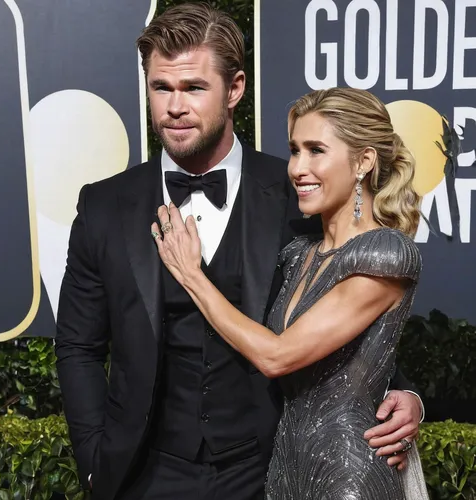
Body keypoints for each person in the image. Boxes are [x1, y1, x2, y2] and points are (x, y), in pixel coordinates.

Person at [55, 4, 424, 500]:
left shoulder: (300, 192)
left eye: (194, 88)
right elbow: (78, 346)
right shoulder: (103, 206)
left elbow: (348, 306)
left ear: (235, 90)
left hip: (267, 469)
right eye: (160, 87)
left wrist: (404, 394)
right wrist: (96, 462)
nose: (174, 107)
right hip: (145, 473)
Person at [152, 87, 430, 500]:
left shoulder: (386, 252)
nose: (298, 167)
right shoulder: (298, 253)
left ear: (364, 161)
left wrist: (191, 275)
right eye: (295, 150)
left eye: (316, 150)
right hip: (283, 469)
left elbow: (277, 355)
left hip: (348, 475)